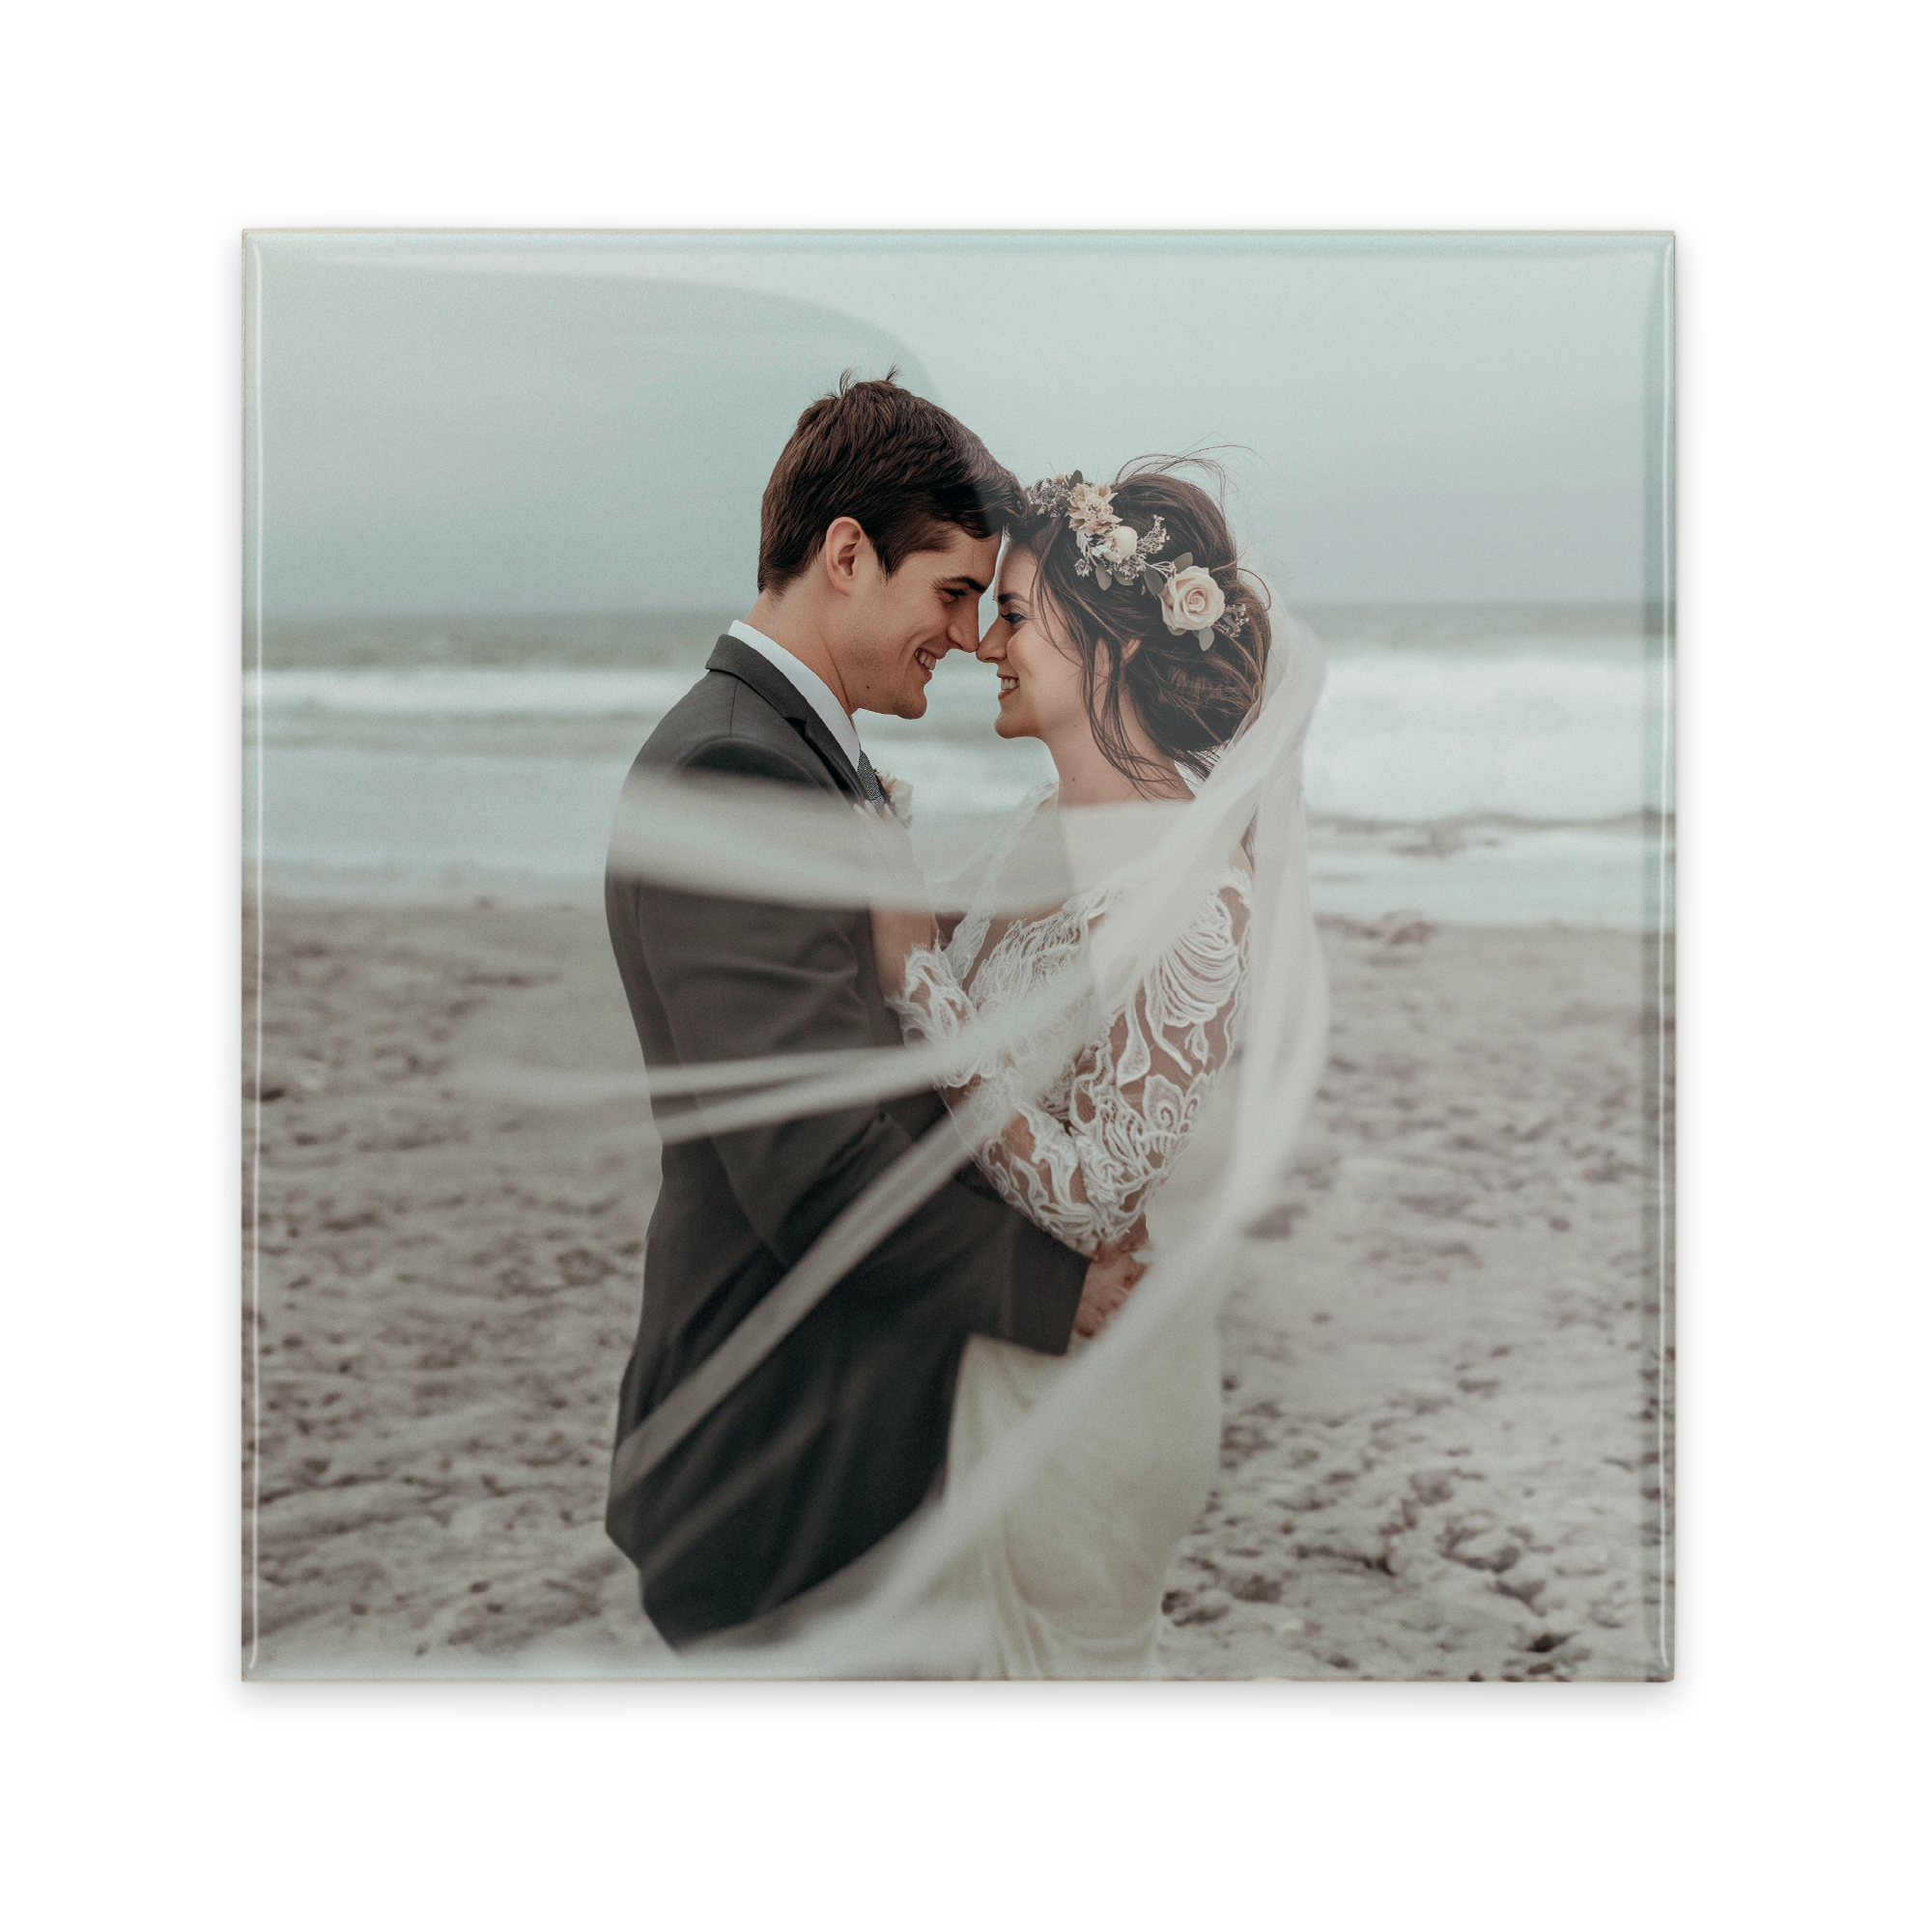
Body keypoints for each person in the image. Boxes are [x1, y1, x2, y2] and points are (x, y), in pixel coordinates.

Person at [601, 376, 1143, 1648]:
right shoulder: (740, 771)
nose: (965, 637)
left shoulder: (788, 750)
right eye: (951, 591)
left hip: (847, 1433)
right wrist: (1047, 1288)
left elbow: (861, 1035)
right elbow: (810, 1158)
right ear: (847, 553)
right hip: (780, 1468)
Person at [867, 459, 1284, 1677]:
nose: (984, 643)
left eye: (1011, 612)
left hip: (1090, 1396)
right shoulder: (1031, 829)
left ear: (1103, 643)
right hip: (987, 1350)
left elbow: (1097, 1194)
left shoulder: (1192, 883)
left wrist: (918, 978)